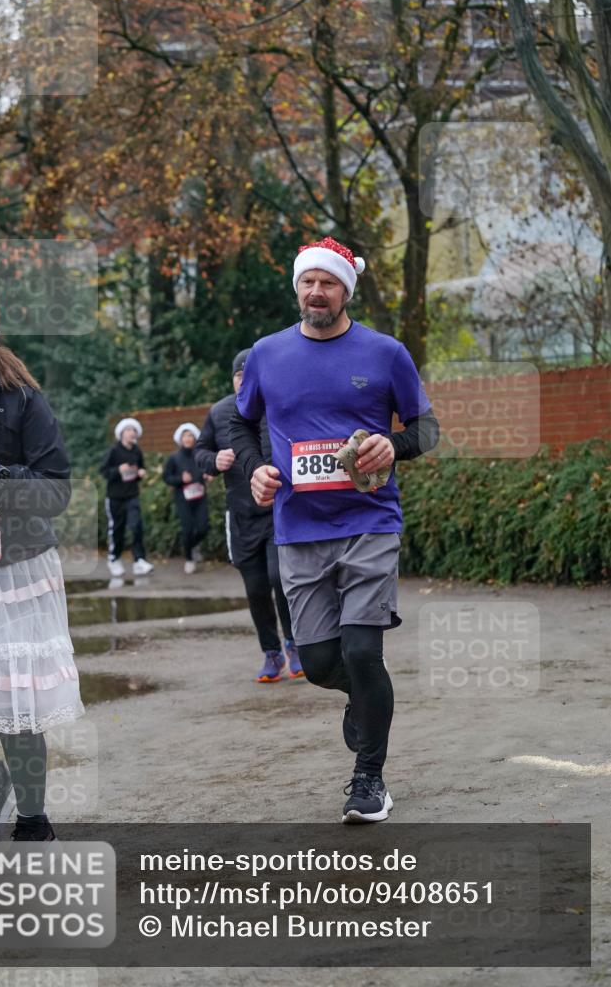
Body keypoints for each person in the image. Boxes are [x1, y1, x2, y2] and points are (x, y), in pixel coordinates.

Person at [229, 237, 440, 823]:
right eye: (308, 282)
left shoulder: (385, 352)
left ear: (346, 290)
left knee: (363, 650)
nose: (316, 291)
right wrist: (254, 469)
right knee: (322, 663)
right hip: (298, 527)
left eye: (328, 283)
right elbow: (240, 426)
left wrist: (392, 445)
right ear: (297, 288)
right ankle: (365, 698)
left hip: (370, 521)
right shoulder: (267, 354)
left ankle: (369, 779)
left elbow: (426, 429)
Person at [0, 269, 85, 848]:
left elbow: (55, 491)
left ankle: (32, 821)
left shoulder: (20, 396)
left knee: (11, 700)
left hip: (13, 566)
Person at [196, 350, 302, 682]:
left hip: (277, 512)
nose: (243, 380)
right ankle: (271, 653)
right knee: (256, 588)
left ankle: (294, 645)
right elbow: (199, 451)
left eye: (249, 373)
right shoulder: (220, 412)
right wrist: (214, 460)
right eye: (238, 375)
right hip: (241, 517)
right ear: (232, 379)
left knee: (279, 579)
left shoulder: (278, 405)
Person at [100, 417, 154, 577]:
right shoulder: (114, 451)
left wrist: (141, 473)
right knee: (117, 530)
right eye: (129, 430)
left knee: (136, 527)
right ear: (121, 433)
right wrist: (118, 470)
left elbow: (140, 468)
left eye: (134, 430)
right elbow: (104, 471)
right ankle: (114, 559)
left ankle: (139, 561)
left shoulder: (137, 451)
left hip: (132, 495)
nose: (132, 433)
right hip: (115, 497)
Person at [163, 423, 209, 575]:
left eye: (190, 436)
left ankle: (192, 546)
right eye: (185, 436)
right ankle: (189, 559)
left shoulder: (200, 455)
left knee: (203, 528)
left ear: (195, 438)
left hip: (200, 497)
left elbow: (207, 469)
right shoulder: (174, 458)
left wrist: (207, 475)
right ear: (180, 439)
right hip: (183, 499)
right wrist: (180, 479)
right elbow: (166, 477)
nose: (188, 439)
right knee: (187, 529)